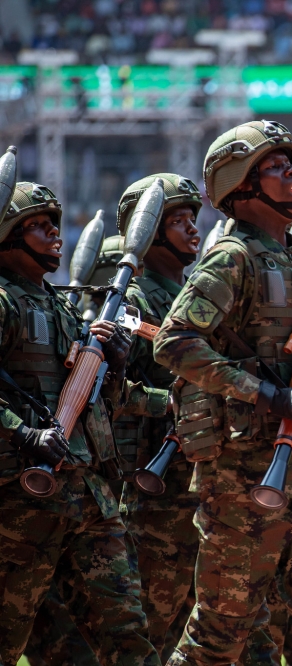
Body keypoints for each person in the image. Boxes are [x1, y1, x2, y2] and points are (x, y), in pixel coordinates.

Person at [153, 120, 292, 665]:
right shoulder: (233, 258)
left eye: (290, 163)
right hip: (244, 474)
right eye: (275, 166)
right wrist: (263, 394)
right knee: (221, 635)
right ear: (240, 187)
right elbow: (174, 342)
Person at [0, 182, 160, 665]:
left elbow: (97, 402)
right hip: (23, 500)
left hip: (89, 496)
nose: (55, 233)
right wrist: (22, 432)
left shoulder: (59, 307)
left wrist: (112, 364)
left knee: (126, 636)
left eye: (56, 223)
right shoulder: (4, 301)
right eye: (39, 224)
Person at [114, 173, 203, 657]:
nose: (193, 230)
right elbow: (111, 392)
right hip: (157, 494)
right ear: (147, 232)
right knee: (151, 630)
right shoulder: (132, 302)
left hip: (202, 483)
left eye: (194, 219)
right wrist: (170, 403)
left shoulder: (197, 296)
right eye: (177, 221)